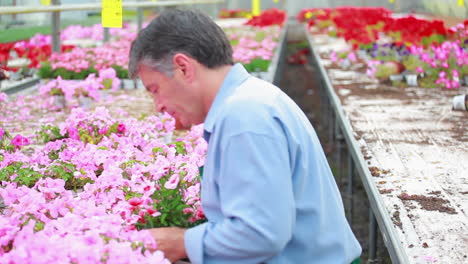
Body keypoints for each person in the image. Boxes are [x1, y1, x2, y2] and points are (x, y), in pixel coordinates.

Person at [129, 8, 362, 264]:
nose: (158, 105)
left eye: (155, 89)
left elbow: (260, 234)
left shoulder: (244, 116)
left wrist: (181, 243)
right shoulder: (249, 99)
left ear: (183, 68)